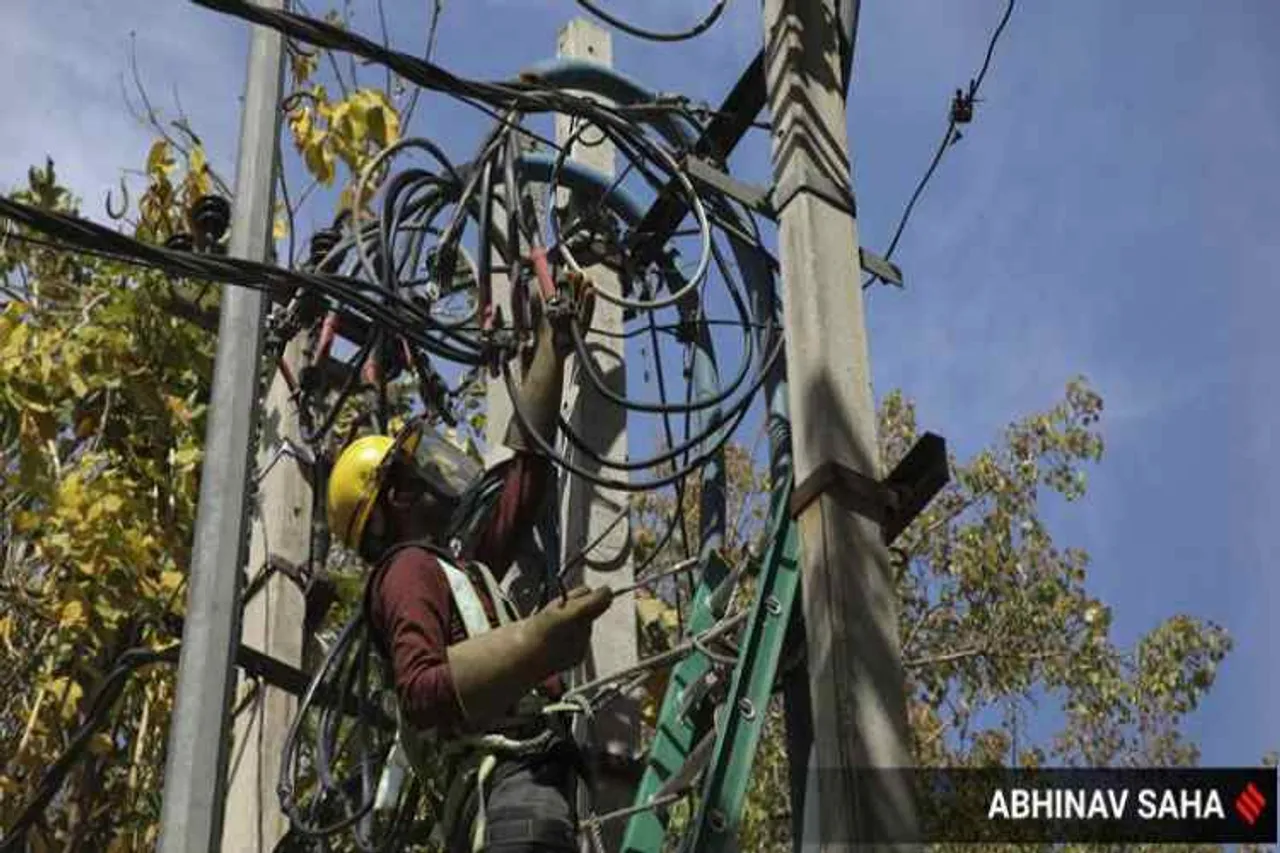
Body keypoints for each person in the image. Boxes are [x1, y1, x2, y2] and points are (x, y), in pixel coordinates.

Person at [325, 280, 612, 853]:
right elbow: (421, 692)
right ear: (396, 501)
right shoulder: (406, 570)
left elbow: (522, 485)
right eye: (419, 469)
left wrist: (552, 348)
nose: (439, 471)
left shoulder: (459, 565)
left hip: (534, 783)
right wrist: (535, 640)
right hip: (502, 794)